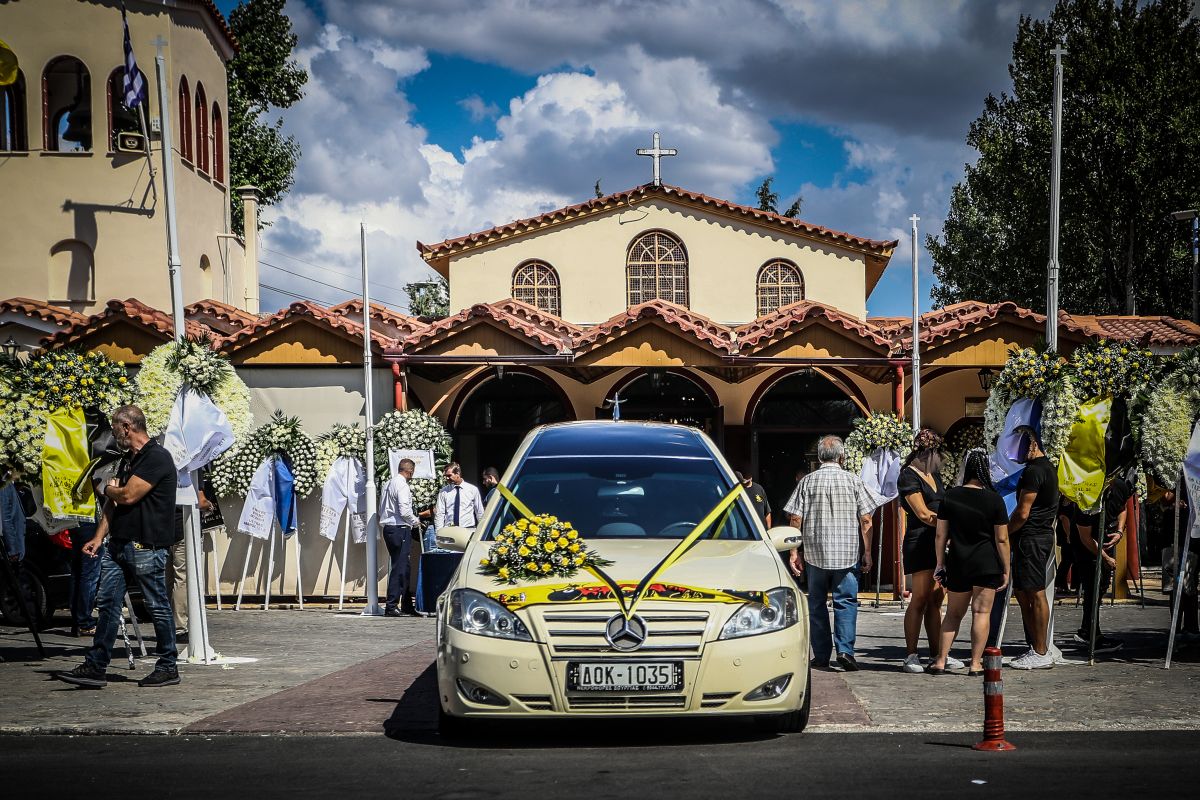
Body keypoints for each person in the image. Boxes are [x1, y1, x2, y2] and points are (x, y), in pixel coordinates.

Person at [57, 405, 180, 689]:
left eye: (115, 428)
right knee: (108, 604)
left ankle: (167, 666)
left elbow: (125, 496)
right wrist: (99, 537)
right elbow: (114, 506)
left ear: (127, 427)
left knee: (157, 605)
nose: (114, 434)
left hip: (145, 546)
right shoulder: (128, 460)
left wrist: (105, 487)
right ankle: (96, 665)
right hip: (119, 546)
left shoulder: (157, 458)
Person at [783, 435, 874, 672]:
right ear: (842, 457)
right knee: (846, 602)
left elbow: (795, 518)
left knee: (817, 604)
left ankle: (821, 655)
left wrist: (794, 551)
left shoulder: (808, 482)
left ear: (820, 457)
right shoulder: (853, 481)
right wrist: (868, 552)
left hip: (816, 554)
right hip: (846, 553)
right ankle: (845, 651)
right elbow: (866, 519)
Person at [928, 449, 1010, 675]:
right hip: (986, 562)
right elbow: (1001, 538)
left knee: (953, 613)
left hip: (958, 561)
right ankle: (975, 663)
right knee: (981, 613)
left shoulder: (950, 496)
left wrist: (940, 563)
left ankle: (941, 660)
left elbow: (940, 535)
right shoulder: (994, 499)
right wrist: (1006, 568)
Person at [896, 429, 962, 673]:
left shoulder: (933, 474)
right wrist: (950, 522)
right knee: (920, 598)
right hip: (919, 542)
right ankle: (911, 654)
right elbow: (923, 513)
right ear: (929, 452)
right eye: (938, 453)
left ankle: (938, 653)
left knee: (936, 599)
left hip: (937, 542)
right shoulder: (908, 476)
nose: (940, 459)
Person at [1006, 426, 1059, 670]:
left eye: (1021, 445)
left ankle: (1040, 650)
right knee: (1023, 591)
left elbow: (1023, 512)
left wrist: (1005, 531)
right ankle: (1035, 646)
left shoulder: (1036, 471)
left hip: (1032, 537)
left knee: (1035, 591)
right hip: (1035, 537)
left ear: (1034, 444)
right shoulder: (1044, 468)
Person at [1070, 477, 1133, 653]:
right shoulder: (1087, 494)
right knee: (1093, 585)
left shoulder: (1120, 486)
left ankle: (1087, 630)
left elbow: (1123, 508)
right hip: (1086, 543)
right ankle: (1091, 634)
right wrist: (1105, 558)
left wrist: (1120, 531)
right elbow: (1085, 537)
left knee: (1102, 584)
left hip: (1106, 537)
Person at [379, 458, 420, 617]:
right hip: (399, 528)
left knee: (404, 567)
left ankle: (406, 604)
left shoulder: (388, 483)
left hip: (390, 528)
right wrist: (415, 521)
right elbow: (404, 510)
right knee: (399, 568)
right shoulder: (402, 485)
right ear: (410, 471)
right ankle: (391, 606)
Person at [434, 463, 484, 530]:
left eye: (449, 475)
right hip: (449, 530)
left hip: (468, 529)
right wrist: (438, 532)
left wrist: (482, 531)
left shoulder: (472, 490)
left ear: (457, 473)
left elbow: (479, 512)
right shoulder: (443, 492)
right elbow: (439, 514)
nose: (447, 478)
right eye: (445, 476)